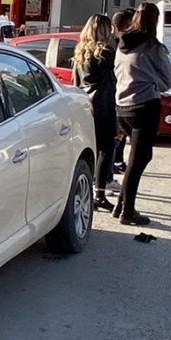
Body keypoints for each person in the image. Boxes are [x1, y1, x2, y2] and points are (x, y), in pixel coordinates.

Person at [111, 3, 171, 225]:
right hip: (145, 106)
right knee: (139, 161)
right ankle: (128, 212)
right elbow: (167, 82)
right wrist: (149, 80)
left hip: (122, 107)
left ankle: (120, 205)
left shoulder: (121, 44)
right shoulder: (153, 47)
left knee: (136, 158)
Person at [71, 14, 118, 211]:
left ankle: (88, 190)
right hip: (103, 104)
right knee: (106, 149)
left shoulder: (80, 53)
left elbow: (75, 81)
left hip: (85, 104)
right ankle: (99, 192)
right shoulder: (106, 53)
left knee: (90, 148)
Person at [108, 8, 136, 179]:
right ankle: (108, 175)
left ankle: (117, 162)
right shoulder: (115, 46)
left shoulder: (121, 44)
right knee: (114, 138)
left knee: (120, 137)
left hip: (119, 97)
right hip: (115, 98)